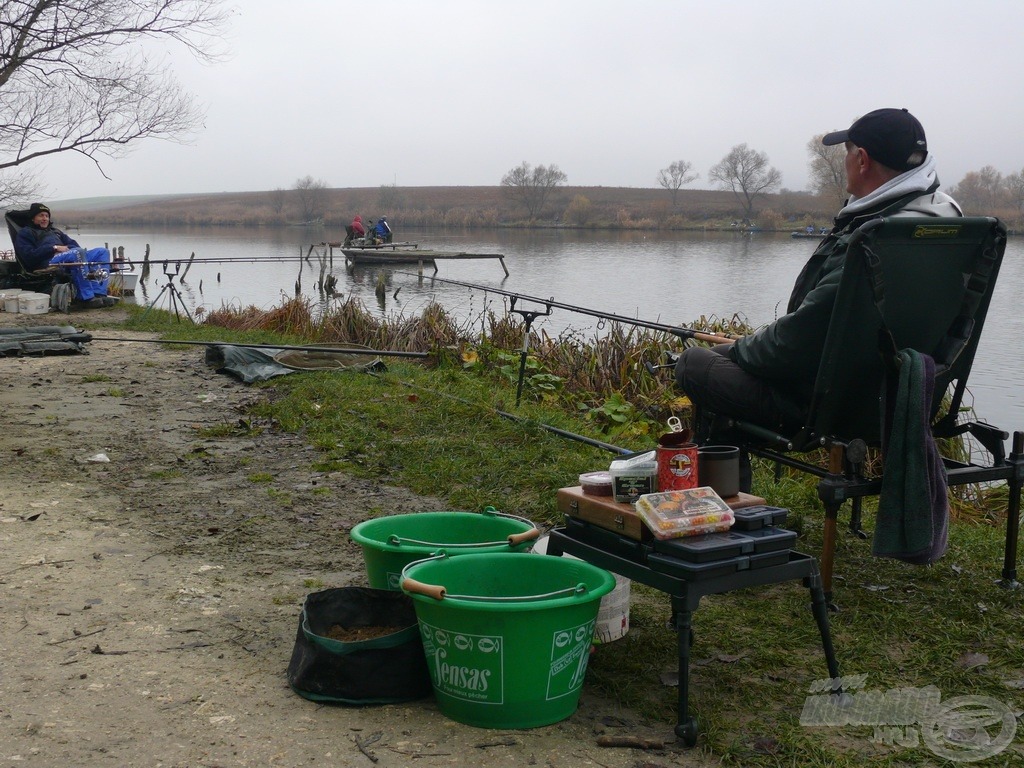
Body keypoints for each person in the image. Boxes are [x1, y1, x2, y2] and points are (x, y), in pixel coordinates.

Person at [675, 108, 962, 491]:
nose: (845, 163)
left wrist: (743, 349)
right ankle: (725, 495)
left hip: (831, 405)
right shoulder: (946, 226)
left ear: (861, 160)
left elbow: (798, 341)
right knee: (725, 361)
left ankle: (724, 500)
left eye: (847, 153)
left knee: (695, 364)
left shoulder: (874, 238)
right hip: (902, 396)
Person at [14, 202, 115, 308]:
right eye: (41, 215)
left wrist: (66, 250)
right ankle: (85, 298)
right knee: (77, 253)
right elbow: (29, 256)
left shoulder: (55, 232)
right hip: (47, 262)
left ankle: (98, 293)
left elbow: (75, 245)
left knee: (102, 252)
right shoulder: (26, 233)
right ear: (32, 218)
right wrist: (54, 248)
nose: (45, 218)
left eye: (47, 216)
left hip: (69, 256)